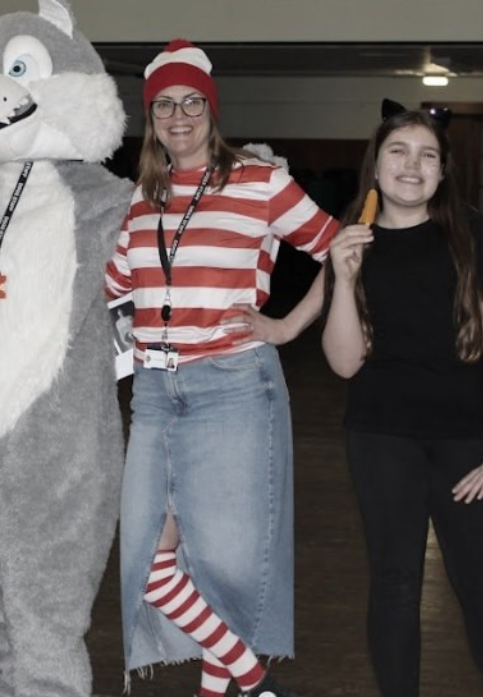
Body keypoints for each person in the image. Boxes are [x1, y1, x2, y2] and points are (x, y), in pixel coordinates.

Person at [105, 40, 339, 697]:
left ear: (211, 110)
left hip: (232, 387)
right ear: (150, 118)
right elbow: (114, 289)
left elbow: (340, 250)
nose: (178, 116)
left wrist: (287, 326)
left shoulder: (259, 182)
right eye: (163, 106)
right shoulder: (141, 198)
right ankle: (254, 682)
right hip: (154, 393)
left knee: (224, 566)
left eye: (191, 103)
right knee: (148, 559)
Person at [320, 105, 483, 697]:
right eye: (398, 151)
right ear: (376, 165)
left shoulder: (467, 231)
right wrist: (345, 277)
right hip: (380, 436)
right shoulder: (351, 241)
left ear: (442, 172)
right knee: (395, 585)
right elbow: (343, 363)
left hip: (461, 436)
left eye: (427, 155)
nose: (412, 165)